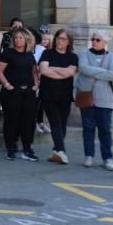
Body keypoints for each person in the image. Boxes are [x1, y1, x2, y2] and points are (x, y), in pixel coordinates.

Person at [75, 30, 113, 171]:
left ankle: (108, 158)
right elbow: (82, 68)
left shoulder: (112, 57)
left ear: (105, 42)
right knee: (88, 128)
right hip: (87, 97)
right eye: (93, 39)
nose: (94, 41)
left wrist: (92, 71)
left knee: (105, 130)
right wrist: (103, 73)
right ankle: (89, 156)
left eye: (98, 40)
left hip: (105, 100)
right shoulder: (83, 54)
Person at [0, 27, 40, 162]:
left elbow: (34, 72)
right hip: (12, 91)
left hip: (28, 92)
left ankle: (27, 149)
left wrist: (35, 86)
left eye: (21, 37)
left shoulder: (29, 54)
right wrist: (7, 85)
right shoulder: (7, 53)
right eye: (16, 37)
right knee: (11, 120)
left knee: (27, 121)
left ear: (27, 39)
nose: (18, 40)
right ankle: (11, 149)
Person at [39, 29, 77, 165]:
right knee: (55, 123)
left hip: (65, 95)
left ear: (68, 42)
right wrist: (62, 72)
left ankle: (56, 151)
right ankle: (61, 151)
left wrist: (53, 69)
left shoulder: (73, 57)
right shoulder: (47, 53)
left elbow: (70, 73)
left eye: (63, 39)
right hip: (48, 94)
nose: (59, 41)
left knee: (62, 123)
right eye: (58, 38)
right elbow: (43, 70)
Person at [33, 28, 53, 134]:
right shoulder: (39, 49)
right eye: (43, 39)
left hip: (44, 80)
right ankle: (35, 122)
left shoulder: (46, 50)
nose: (45, 41)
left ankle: (40, 122)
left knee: (41, 102)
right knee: (37, 102)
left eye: (47, 39)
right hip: (38, 79)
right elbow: (36, 63)